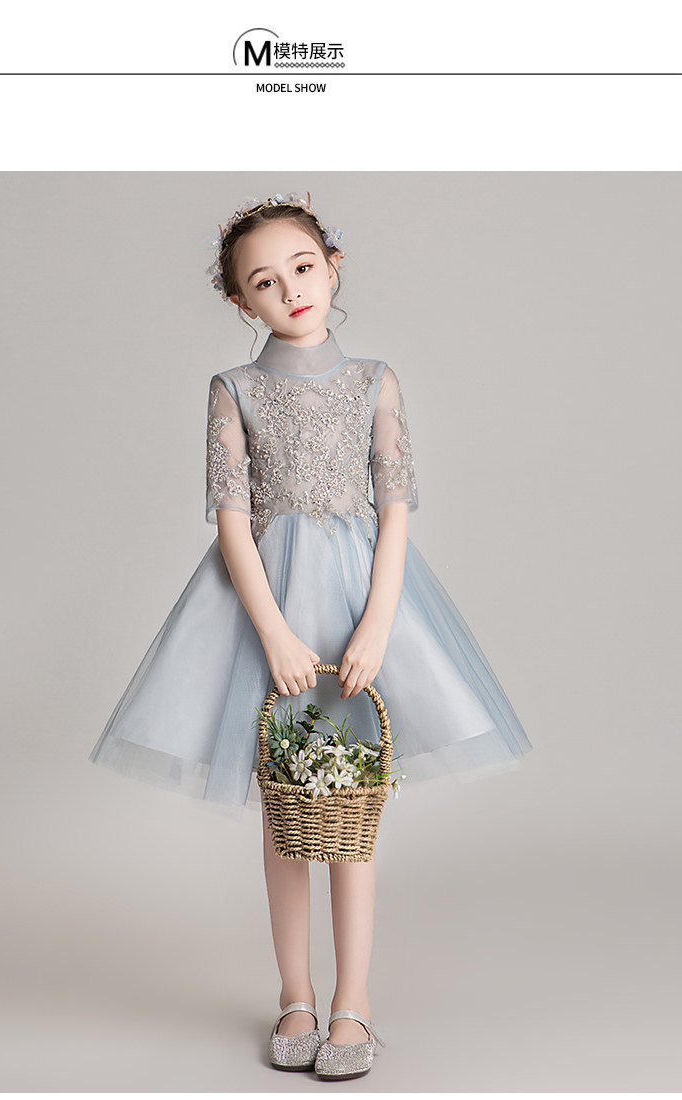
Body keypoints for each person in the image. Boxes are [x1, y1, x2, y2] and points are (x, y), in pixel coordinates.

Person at [88, 192, 533, 1080]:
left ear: (333, 265)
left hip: (363, 600)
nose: (289, 289)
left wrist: (378, 622)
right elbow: (231, 520)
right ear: (240, 301)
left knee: (352, 809)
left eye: (301, 267)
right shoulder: (234, 390)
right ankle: (295, 993)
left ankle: (352, 1004)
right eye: (264, 281)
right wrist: (277, 637)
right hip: (264, 605)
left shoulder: (377, 382)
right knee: (288, 811)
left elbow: (395, 511)